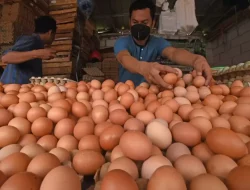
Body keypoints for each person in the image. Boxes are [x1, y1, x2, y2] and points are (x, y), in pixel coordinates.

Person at [114, 0, 212, 88]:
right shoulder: (122, 42)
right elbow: (124, 58)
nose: (139, 26)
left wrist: (195, 59)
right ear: (129, 22)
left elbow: (173, 53)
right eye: (135, 22)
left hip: (151, 95)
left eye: (144, 22)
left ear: (153, 23)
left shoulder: (157, 42)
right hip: (126, 92)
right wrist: (143, 68)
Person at [0, 16, 57, 84]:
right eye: (54, 34)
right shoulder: (30, 40)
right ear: (50, 32)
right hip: (12, 89)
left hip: (22, 90)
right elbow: (6, 58)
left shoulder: (38, 44)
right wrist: (37, 53)